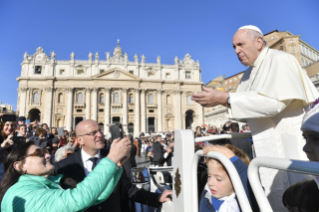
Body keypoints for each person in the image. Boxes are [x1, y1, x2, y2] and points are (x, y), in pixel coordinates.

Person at [192, 25, 319, 210]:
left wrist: (227, 98)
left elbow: (275, 103)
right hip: (266, 151)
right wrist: (224, 101)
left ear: (259, 42)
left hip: (290, 148)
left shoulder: (280, 60)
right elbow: (249, 114)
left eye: (240, 44)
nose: (237, 51)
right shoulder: (247, 76)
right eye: (234, 47)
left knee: (299, 200)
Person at [55, 120, 172, 212]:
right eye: (93, 133)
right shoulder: (63, 166)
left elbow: (128, 190)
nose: (100, 135)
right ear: (80, 140)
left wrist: (157, 198)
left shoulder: (116, 156)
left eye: (100, 130)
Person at [0, 137, 131, 212]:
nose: (47, 155)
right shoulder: (23, 194)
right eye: (39, 153)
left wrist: (116, 166)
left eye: (45, 152)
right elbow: (79, 198)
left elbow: (96, 197)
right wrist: (111, 158)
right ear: (21, 166)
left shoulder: (52, 182)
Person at [201, 144, 258, 212]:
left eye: (218, 179)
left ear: (237, 180)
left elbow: (249, 182)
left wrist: (228, 154)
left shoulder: (247, 198)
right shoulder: (207, 198)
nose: (210, 183)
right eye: (209, 176)